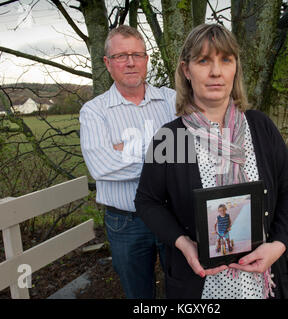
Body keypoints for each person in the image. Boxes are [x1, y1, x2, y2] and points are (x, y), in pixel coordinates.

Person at [135, 24, 288, 299]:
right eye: (203, 61)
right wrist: (184, 244)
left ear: (235, 67)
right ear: (186, 70)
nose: (216, 72)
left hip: (261, 281)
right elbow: (147, 201)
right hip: (200, 285)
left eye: (225, 60)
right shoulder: (169, 137)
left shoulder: (261, 127)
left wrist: (278, 245)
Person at [79, 25, 176, 299]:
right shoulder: (95, 111)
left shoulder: (172, 100)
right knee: (138, 294)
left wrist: (126, 149)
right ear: (108, 64)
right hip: (126, 221)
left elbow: (192, 150)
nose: (130, 62)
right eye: (121, 56)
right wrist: (165, 154)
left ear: (146, 59)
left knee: (184, 288)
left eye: (137, 54)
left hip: (174, 213)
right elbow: (102, 166)